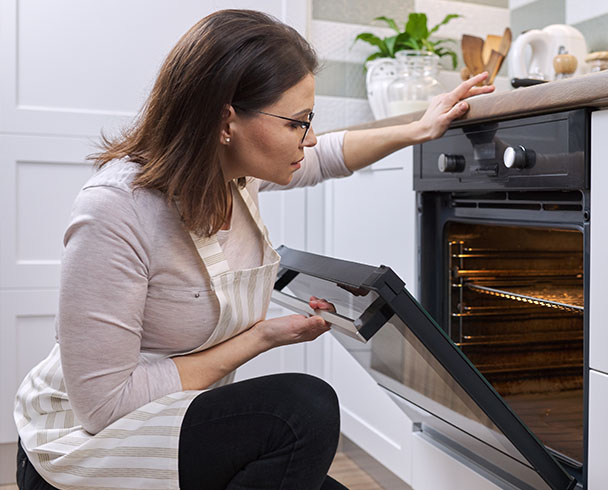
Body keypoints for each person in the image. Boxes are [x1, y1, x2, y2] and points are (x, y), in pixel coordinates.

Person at [13, 9, 493, 490]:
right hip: (88, 448)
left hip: (171, 422)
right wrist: (261, 337)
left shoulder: (235, 176)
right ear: (227, 120)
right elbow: (103, 406)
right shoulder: (117, 210)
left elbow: (326, 155)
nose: (308, 138)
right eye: (296, 123)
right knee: (302, 411)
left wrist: (419, 128)